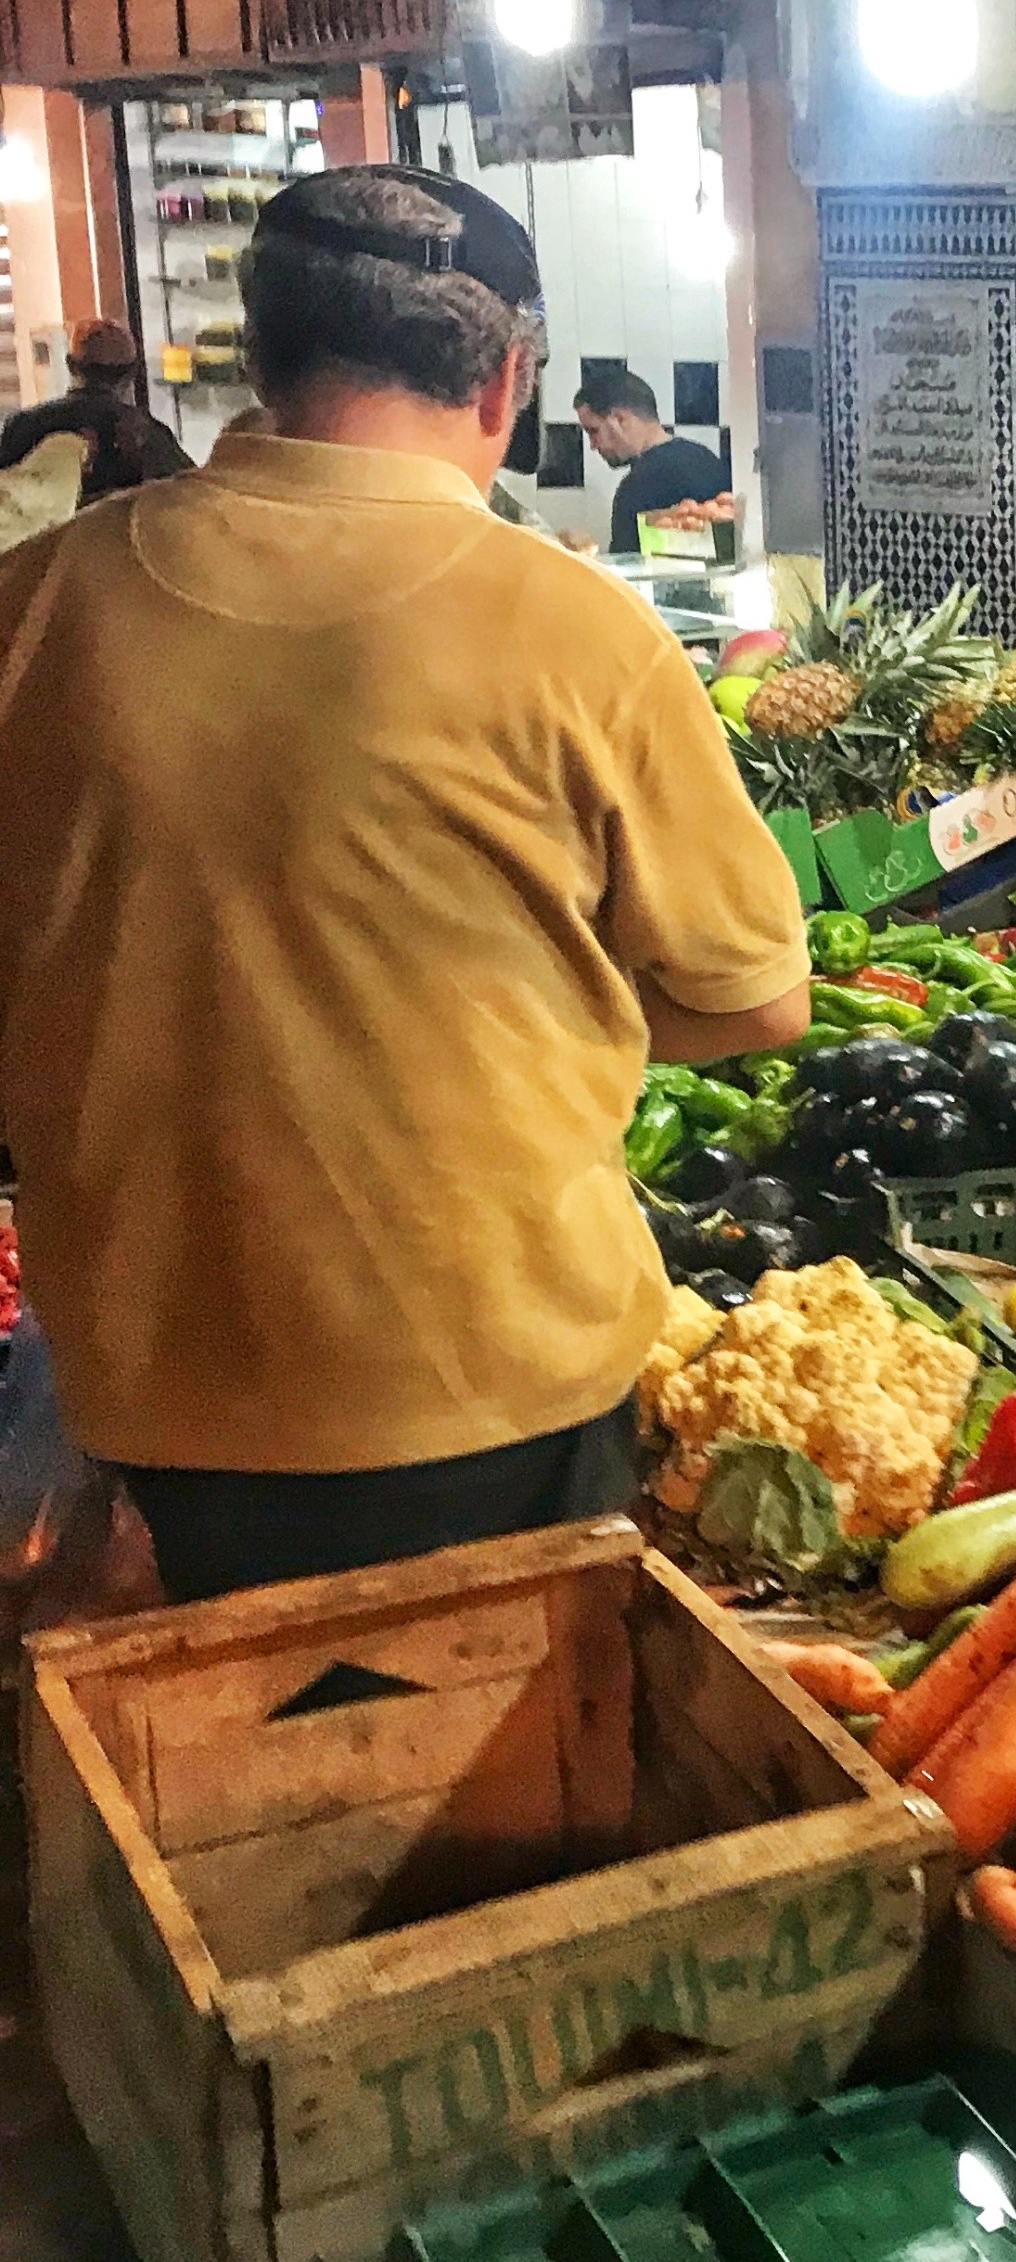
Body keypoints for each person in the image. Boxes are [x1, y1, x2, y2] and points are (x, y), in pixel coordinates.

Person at [0, 166, 809, 1601]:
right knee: (513, 1789)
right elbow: (756, 1001)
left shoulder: (35, 607)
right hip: (495, 1384)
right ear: (505, 381)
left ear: (255, 356)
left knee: (220, 1790)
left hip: (154, 1398)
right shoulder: (578, 635)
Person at [0, 318, 197, 506]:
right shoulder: (147, 433)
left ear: (71, 365)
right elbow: (195, 492)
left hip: (46, 541)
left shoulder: (22, 425)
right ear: (132, 372)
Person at [573, 365, 731, 558]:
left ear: (619, 419)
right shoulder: (706, 458)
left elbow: (626, 575)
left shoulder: (637, 487)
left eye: (593, 430)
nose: (592, 444)